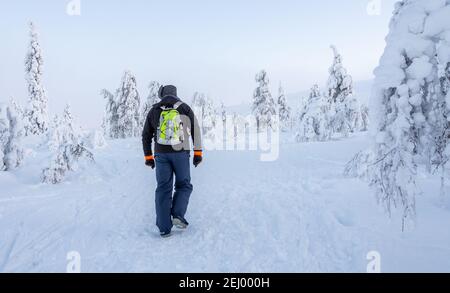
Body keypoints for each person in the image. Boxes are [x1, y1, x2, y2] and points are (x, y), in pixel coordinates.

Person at [142, 85, 203, 238]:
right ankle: (177, 215)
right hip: (181, 152)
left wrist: (148, 157)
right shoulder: (184, 107)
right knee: (184, 185)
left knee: (163, 188)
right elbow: (195, 129)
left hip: (161, 154)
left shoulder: (154, 110)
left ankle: (164, 227)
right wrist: (198, 153)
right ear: (176, 94)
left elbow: (146, 135)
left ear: (162, 95)